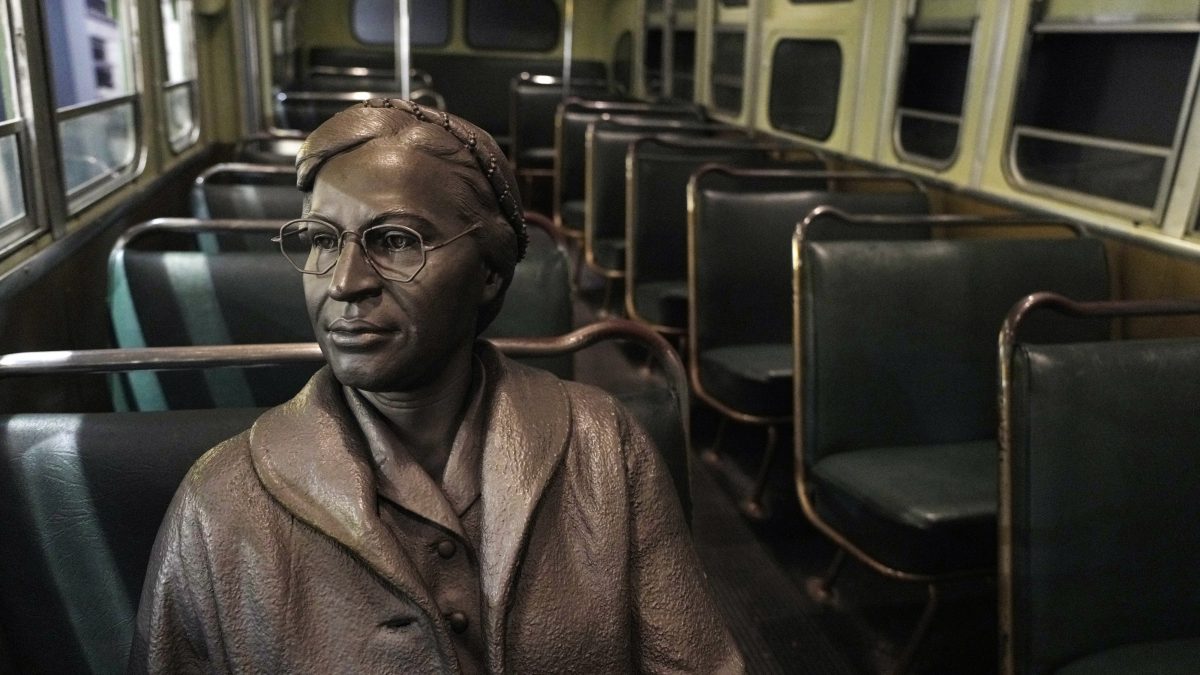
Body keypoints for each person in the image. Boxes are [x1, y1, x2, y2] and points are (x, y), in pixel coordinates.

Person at [129, 99, 742, 674]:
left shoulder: (606, 449)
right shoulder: (220, 501)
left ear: (490, 274)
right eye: (321, 240)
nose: (343, 283)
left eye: (396, 241)